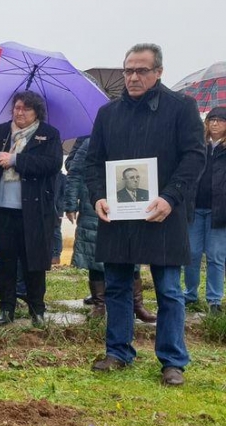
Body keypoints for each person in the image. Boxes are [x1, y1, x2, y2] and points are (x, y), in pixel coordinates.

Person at [84, 43, 205, 386]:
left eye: (141, 70)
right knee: (118, 287)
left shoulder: (182, 107)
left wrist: (170, 198)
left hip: (164, 215)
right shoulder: (108, 114)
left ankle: (172, 361)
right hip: (118, 216)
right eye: (128, 70)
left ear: (159, 72)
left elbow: (194, 158)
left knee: (168, 291)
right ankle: (118, 352)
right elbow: (93, 163)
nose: (133, 77)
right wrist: (98, 197)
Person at [0, 91, 63, 328]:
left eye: (26, 109)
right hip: (2, 207)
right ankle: (6, 307)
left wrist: (16, 160)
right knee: (5, 260)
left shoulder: (49, 135)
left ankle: (37, 308)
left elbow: (52, 164)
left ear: (36, 112)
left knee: (34, 261)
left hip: (35, 210)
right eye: (17, 108)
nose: (20, 113)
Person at [64, 137, 157, 323]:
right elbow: (75, 172)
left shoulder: (137, 138)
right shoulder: (91, 142)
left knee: (132, 253)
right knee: (95, 254)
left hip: (129, 206)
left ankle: (137, 304)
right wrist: (70, 203)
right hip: (95, 204)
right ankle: (100, 304)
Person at [183, 106, 226, 315]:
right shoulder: (198, 146)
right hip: (195, 208)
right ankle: (190, 294)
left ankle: (214, 300)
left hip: (219, 212)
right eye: (212, 119)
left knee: (216, 256)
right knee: (191, 254)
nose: (215, 123)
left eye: (220, 120)